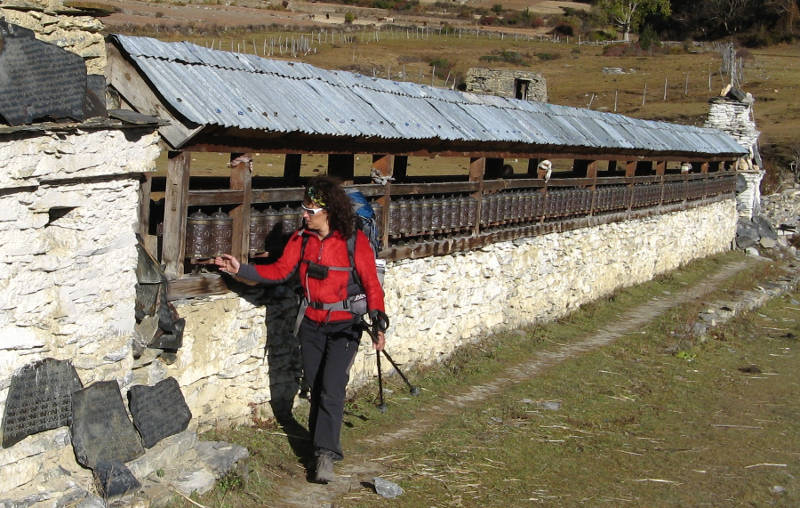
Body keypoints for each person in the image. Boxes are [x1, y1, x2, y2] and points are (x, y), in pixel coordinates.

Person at [214, 176, 387, 484]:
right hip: (310, 324)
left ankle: (324, 455)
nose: (304, 215)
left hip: (345, 327)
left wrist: (379, 320)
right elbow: (279, 272)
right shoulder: (301, 239)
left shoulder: (354, 241)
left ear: (329, 211)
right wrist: (240, 270)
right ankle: (318, 445)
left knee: (331, 388)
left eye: (310, 211)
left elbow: (372, 283)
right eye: (304, 209)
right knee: (316, 384)